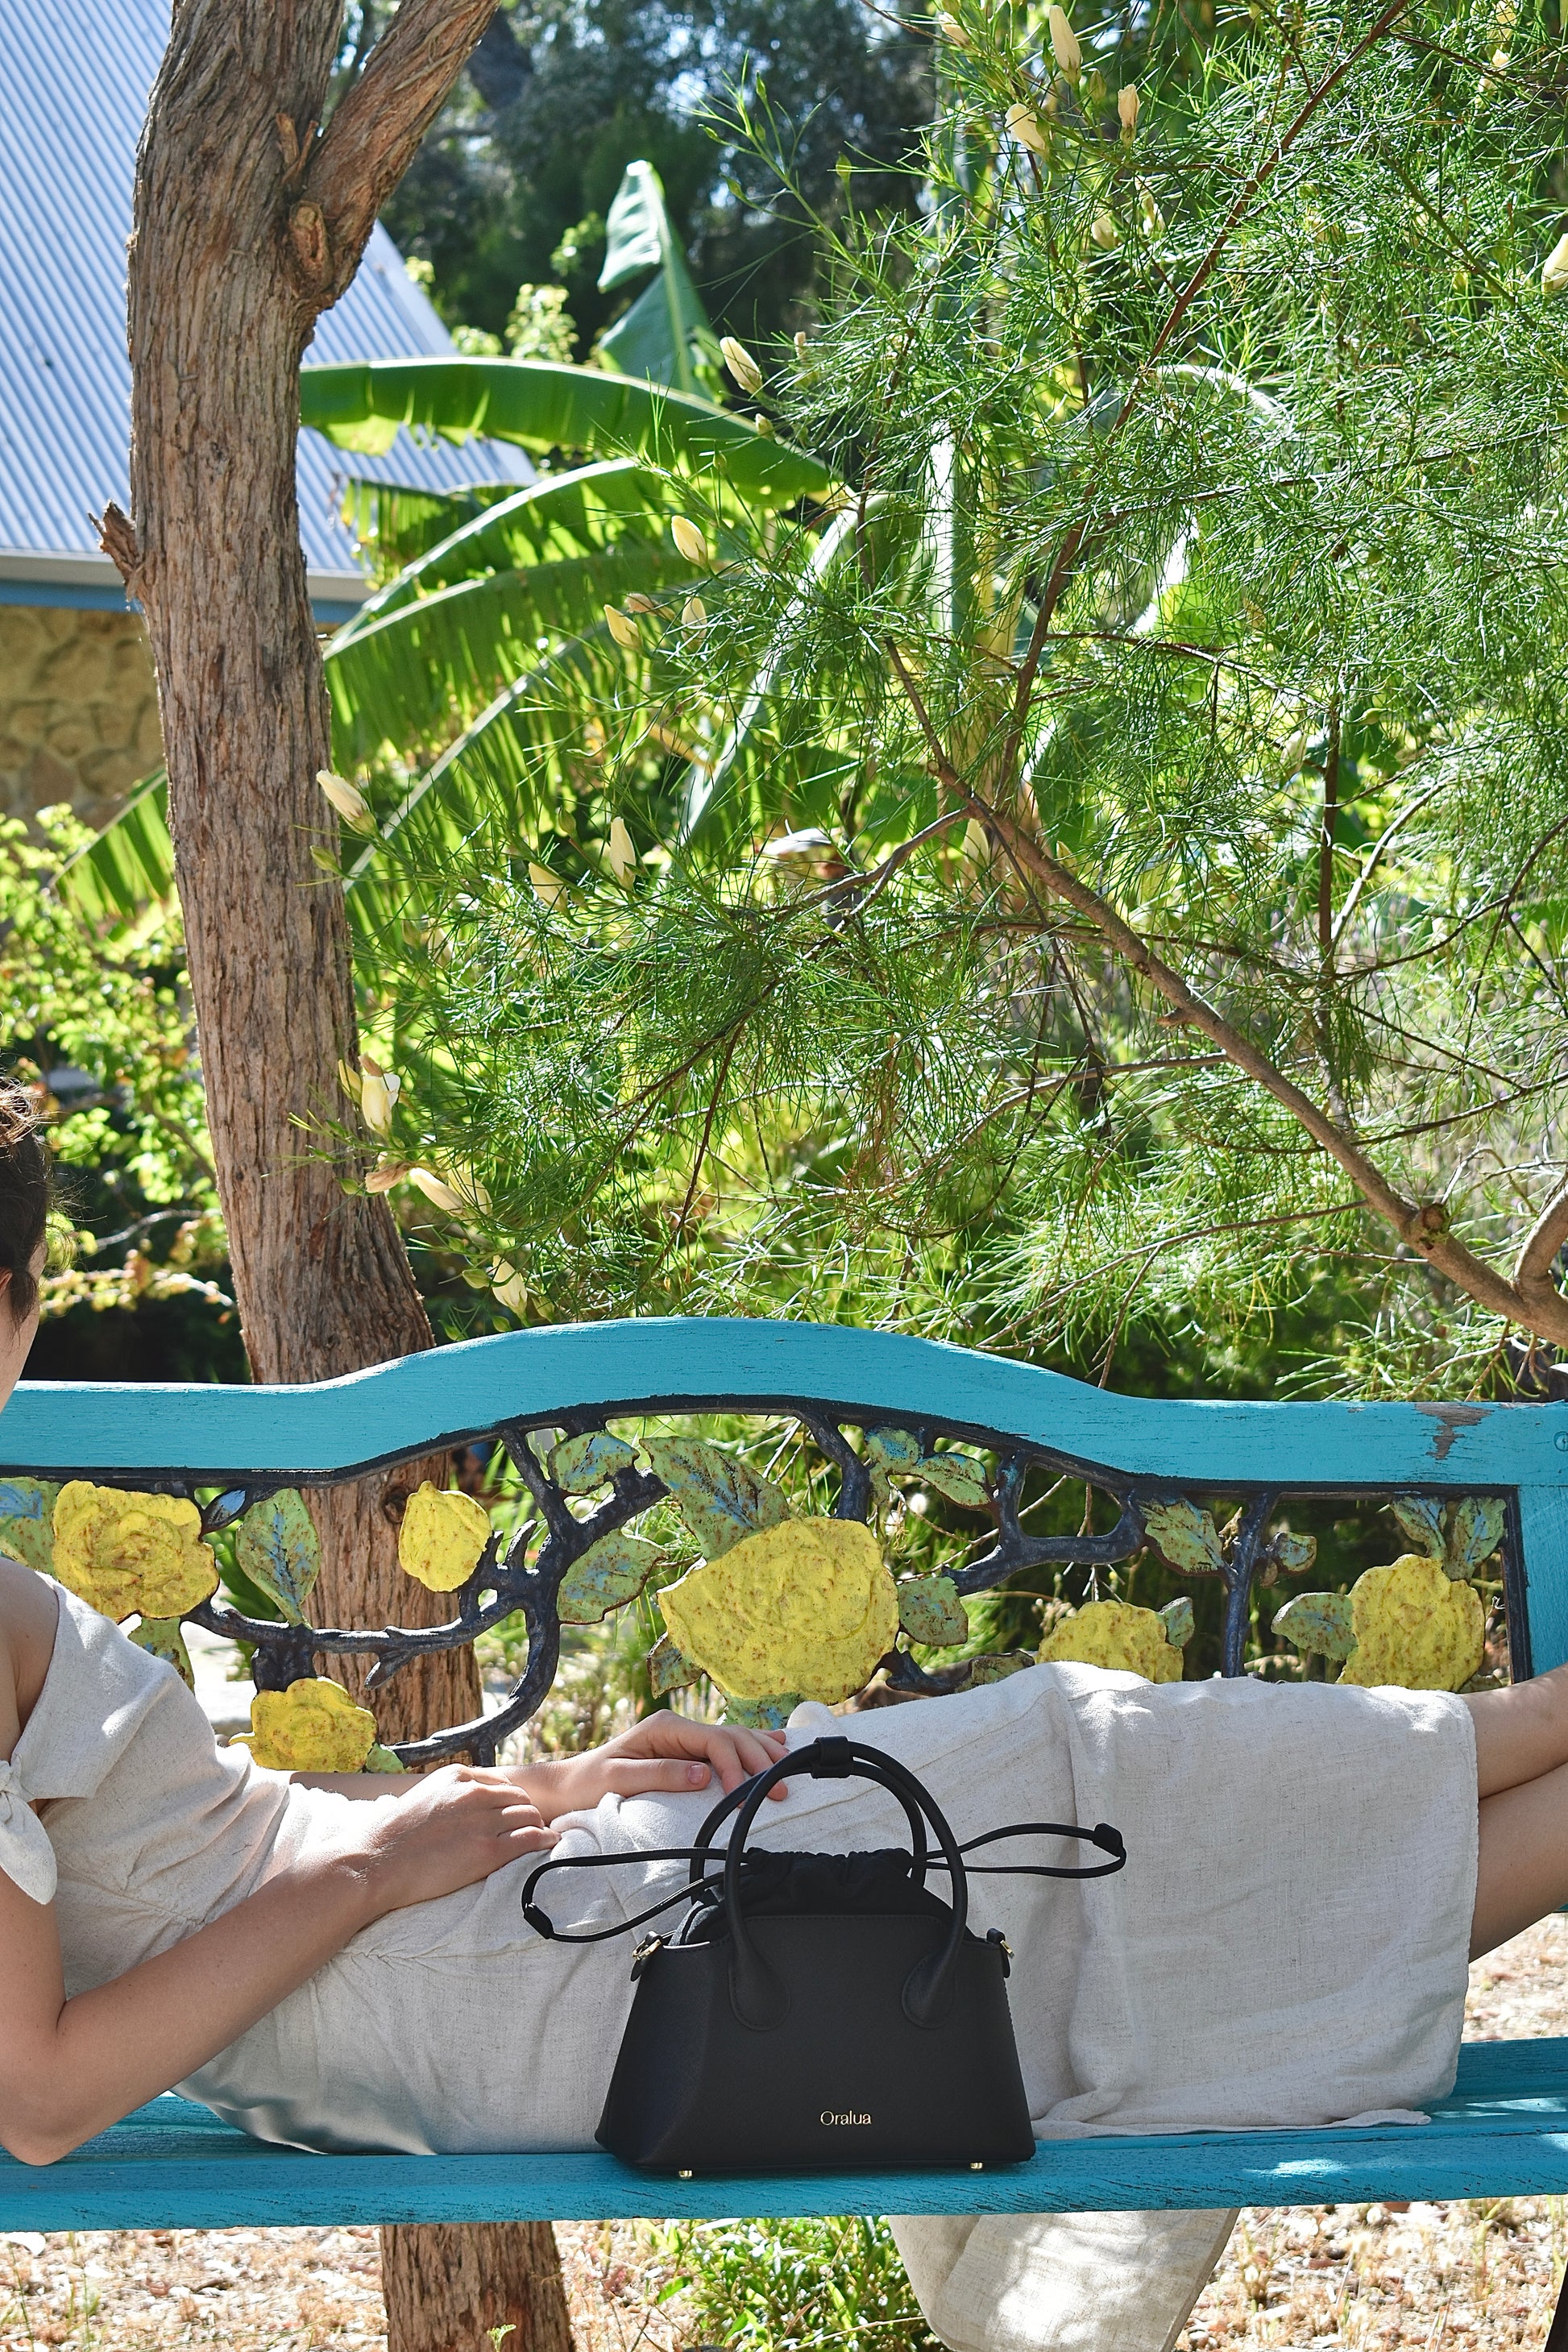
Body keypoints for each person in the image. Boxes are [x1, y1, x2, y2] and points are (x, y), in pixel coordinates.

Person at [2, 1086, 1566, 2352]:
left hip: (442, 1925)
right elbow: (47, 2097)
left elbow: (197, 1844)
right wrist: (378, 1868)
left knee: (1075, 1802)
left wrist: (553, 1779)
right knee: (1070, 1786)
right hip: (445, 1985)